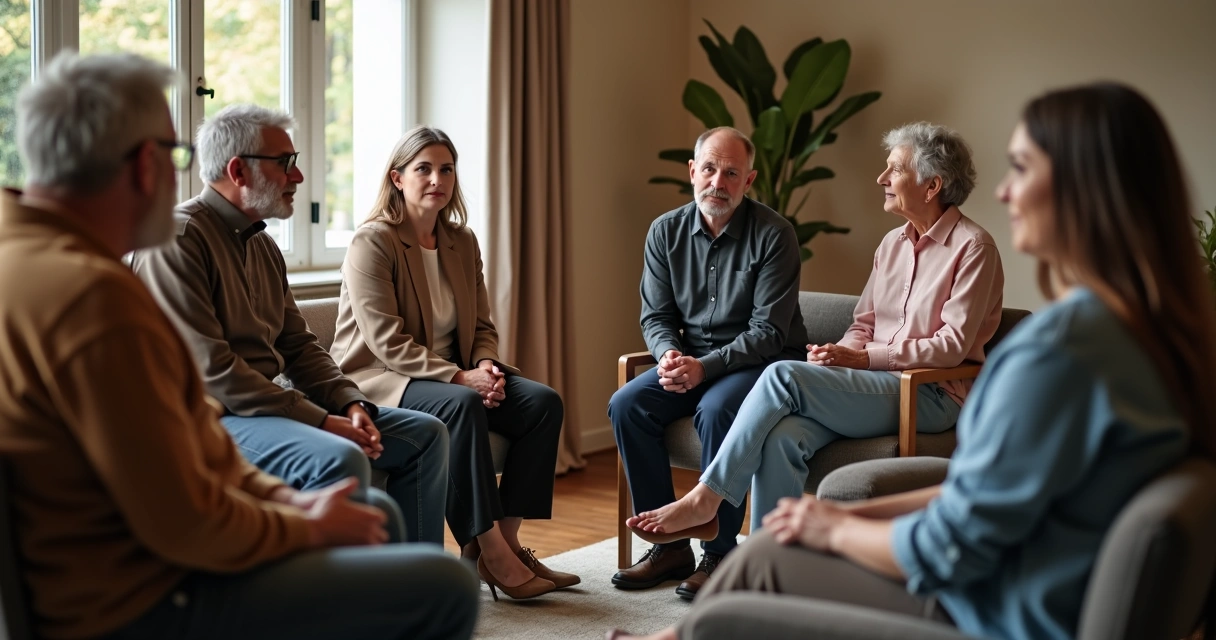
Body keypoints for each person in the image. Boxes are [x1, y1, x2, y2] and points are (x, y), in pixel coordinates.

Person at [609, 82, 1216, 640]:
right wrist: (823, 501)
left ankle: (709, 507)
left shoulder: (1052, 344)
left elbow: (955, 542)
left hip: (990, 601)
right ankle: (701, 594)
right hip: (988, 559)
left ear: (1087, 190)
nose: (1003, 191)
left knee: (782, 384)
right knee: (780, 455)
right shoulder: (1148, 338)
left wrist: (838, 530)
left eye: (1022, 168)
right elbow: (981, 490)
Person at [0, 51, 477, 640]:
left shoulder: (28, 251)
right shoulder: (94, 297)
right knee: (444, 587)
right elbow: (181, 516)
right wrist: (300, 525)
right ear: (144, 165)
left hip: (149, 545)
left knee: (375, 511)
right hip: (139, 594)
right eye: (175, 155)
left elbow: (189, 442)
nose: (299, 177)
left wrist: (335, 420)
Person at [628, 122, 1004, 541]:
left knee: (782, 374)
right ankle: (770, 564)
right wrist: (837, 353)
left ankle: (706, 498)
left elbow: (952, 347)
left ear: (931, 186)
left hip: (928, 394)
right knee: (780, 439)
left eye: (894, 169)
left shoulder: (974, 248)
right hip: (871, 384)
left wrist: (860, 359)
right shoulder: (892, 244)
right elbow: (863, 324)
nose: (881, 178)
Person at [131, 105, 449, 545]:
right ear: (238, 170)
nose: (298, 177)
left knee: (426, 434)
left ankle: (415, 589)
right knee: (338, 457)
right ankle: (344, 604)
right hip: (211, 418)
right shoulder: (176, 240)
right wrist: (320, 421)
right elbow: (214, 371)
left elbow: (299, 346)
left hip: (267, 409)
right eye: (286, 163)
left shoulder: (262, 245)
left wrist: (351, 404)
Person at [331, 125, 571, 600]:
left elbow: (482, 324)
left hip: (456, 375)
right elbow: (385, 342)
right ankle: (489, 553)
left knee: (543, 403)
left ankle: (506, 541)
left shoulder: (462, 242)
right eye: (423, 169)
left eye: (446, 169)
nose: (437, 178)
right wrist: (465, 378)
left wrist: (488, 368)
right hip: (384, 376)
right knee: (463, 403)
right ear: (398, 178)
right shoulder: (372, 242)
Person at [607, 126, 809, 599]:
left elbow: (768, 333)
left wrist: (704, 367)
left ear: (749, 180)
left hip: (761, 364)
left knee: (717, 409)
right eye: (710, 169)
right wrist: (668, 355)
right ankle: (671, 548)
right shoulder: (665, 231)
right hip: (691, 362)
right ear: (692, 171)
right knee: (626, 404)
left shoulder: (775, 235)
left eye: (732, 173)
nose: (718, 181)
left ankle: (719, 554)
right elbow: (656, 316)